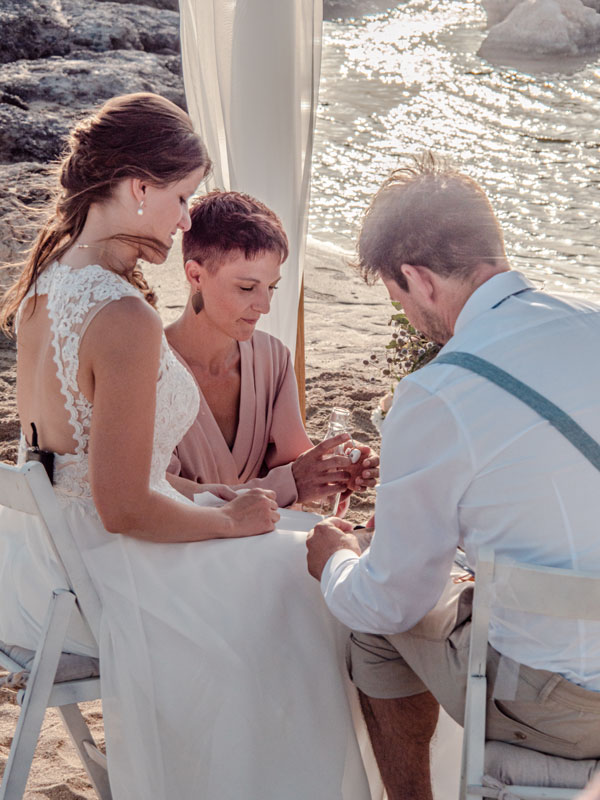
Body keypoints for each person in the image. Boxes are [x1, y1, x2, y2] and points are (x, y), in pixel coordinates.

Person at [0, 94, 372, 800]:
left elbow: (84, 473)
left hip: (40, 571)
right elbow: (122, 507)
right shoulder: (123, 315)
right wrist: (227, 521)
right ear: (139, 187)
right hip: (105, 576)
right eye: (181, 198)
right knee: (316, 581)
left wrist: (213, 498)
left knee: (292, 541)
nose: (185, 219)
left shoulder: (47, 287)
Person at [306, 153, 600, 800]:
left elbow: (394, 599)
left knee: (372, 621)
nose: (409, 318)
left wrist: (337, 560)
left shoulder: (438, 392)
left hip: (561, 708)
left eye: (397, 298)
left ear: (416, 278)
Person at [165, 190, 378, 510]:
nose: (264, 306)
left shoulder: (273, 358)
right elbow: (155, 493)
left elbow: (295, 459)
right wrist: (288, 485)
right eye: (247, 288)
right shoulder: (149, 367)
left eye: (272, 287)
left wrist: (334, 469)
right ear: (196, 275)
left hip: (262, 537)